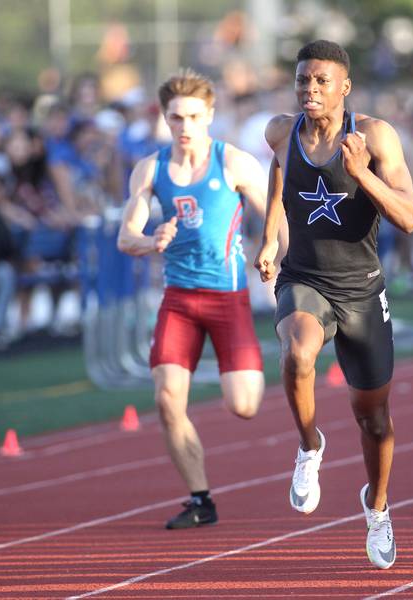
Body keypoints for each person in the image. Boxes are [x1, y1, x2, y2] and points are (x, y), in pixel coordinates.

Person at [254, 40, 413, 569]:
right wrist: (269, 240)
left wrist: (363, 172)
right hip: (304, 278)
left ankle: (378, 506)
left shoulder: (374, 136)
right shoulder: (281, 132)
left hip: (363, 291)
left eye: (322, 80)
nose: (310, 89)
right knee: (297, 354)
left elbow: (409, 217)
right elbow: (279, 177)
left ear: (344, 86)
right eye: (303, 80)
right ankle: (309, 446)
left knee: (374, 419)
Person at [117, 69, 267, 529]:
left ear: (210, 116)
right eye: (176, 117)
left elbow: (275, 215)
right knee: (166, 400)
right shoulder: (152, 169)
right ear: (164, 118)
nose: (184, 126)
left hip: (228, 297)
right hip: (179, 300)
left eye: (193, 117)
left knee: (244, 406)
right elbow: (126, 236)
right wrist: (151, 240)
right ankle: (200, 499)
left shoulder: (233, 162)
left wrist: (272, 250)